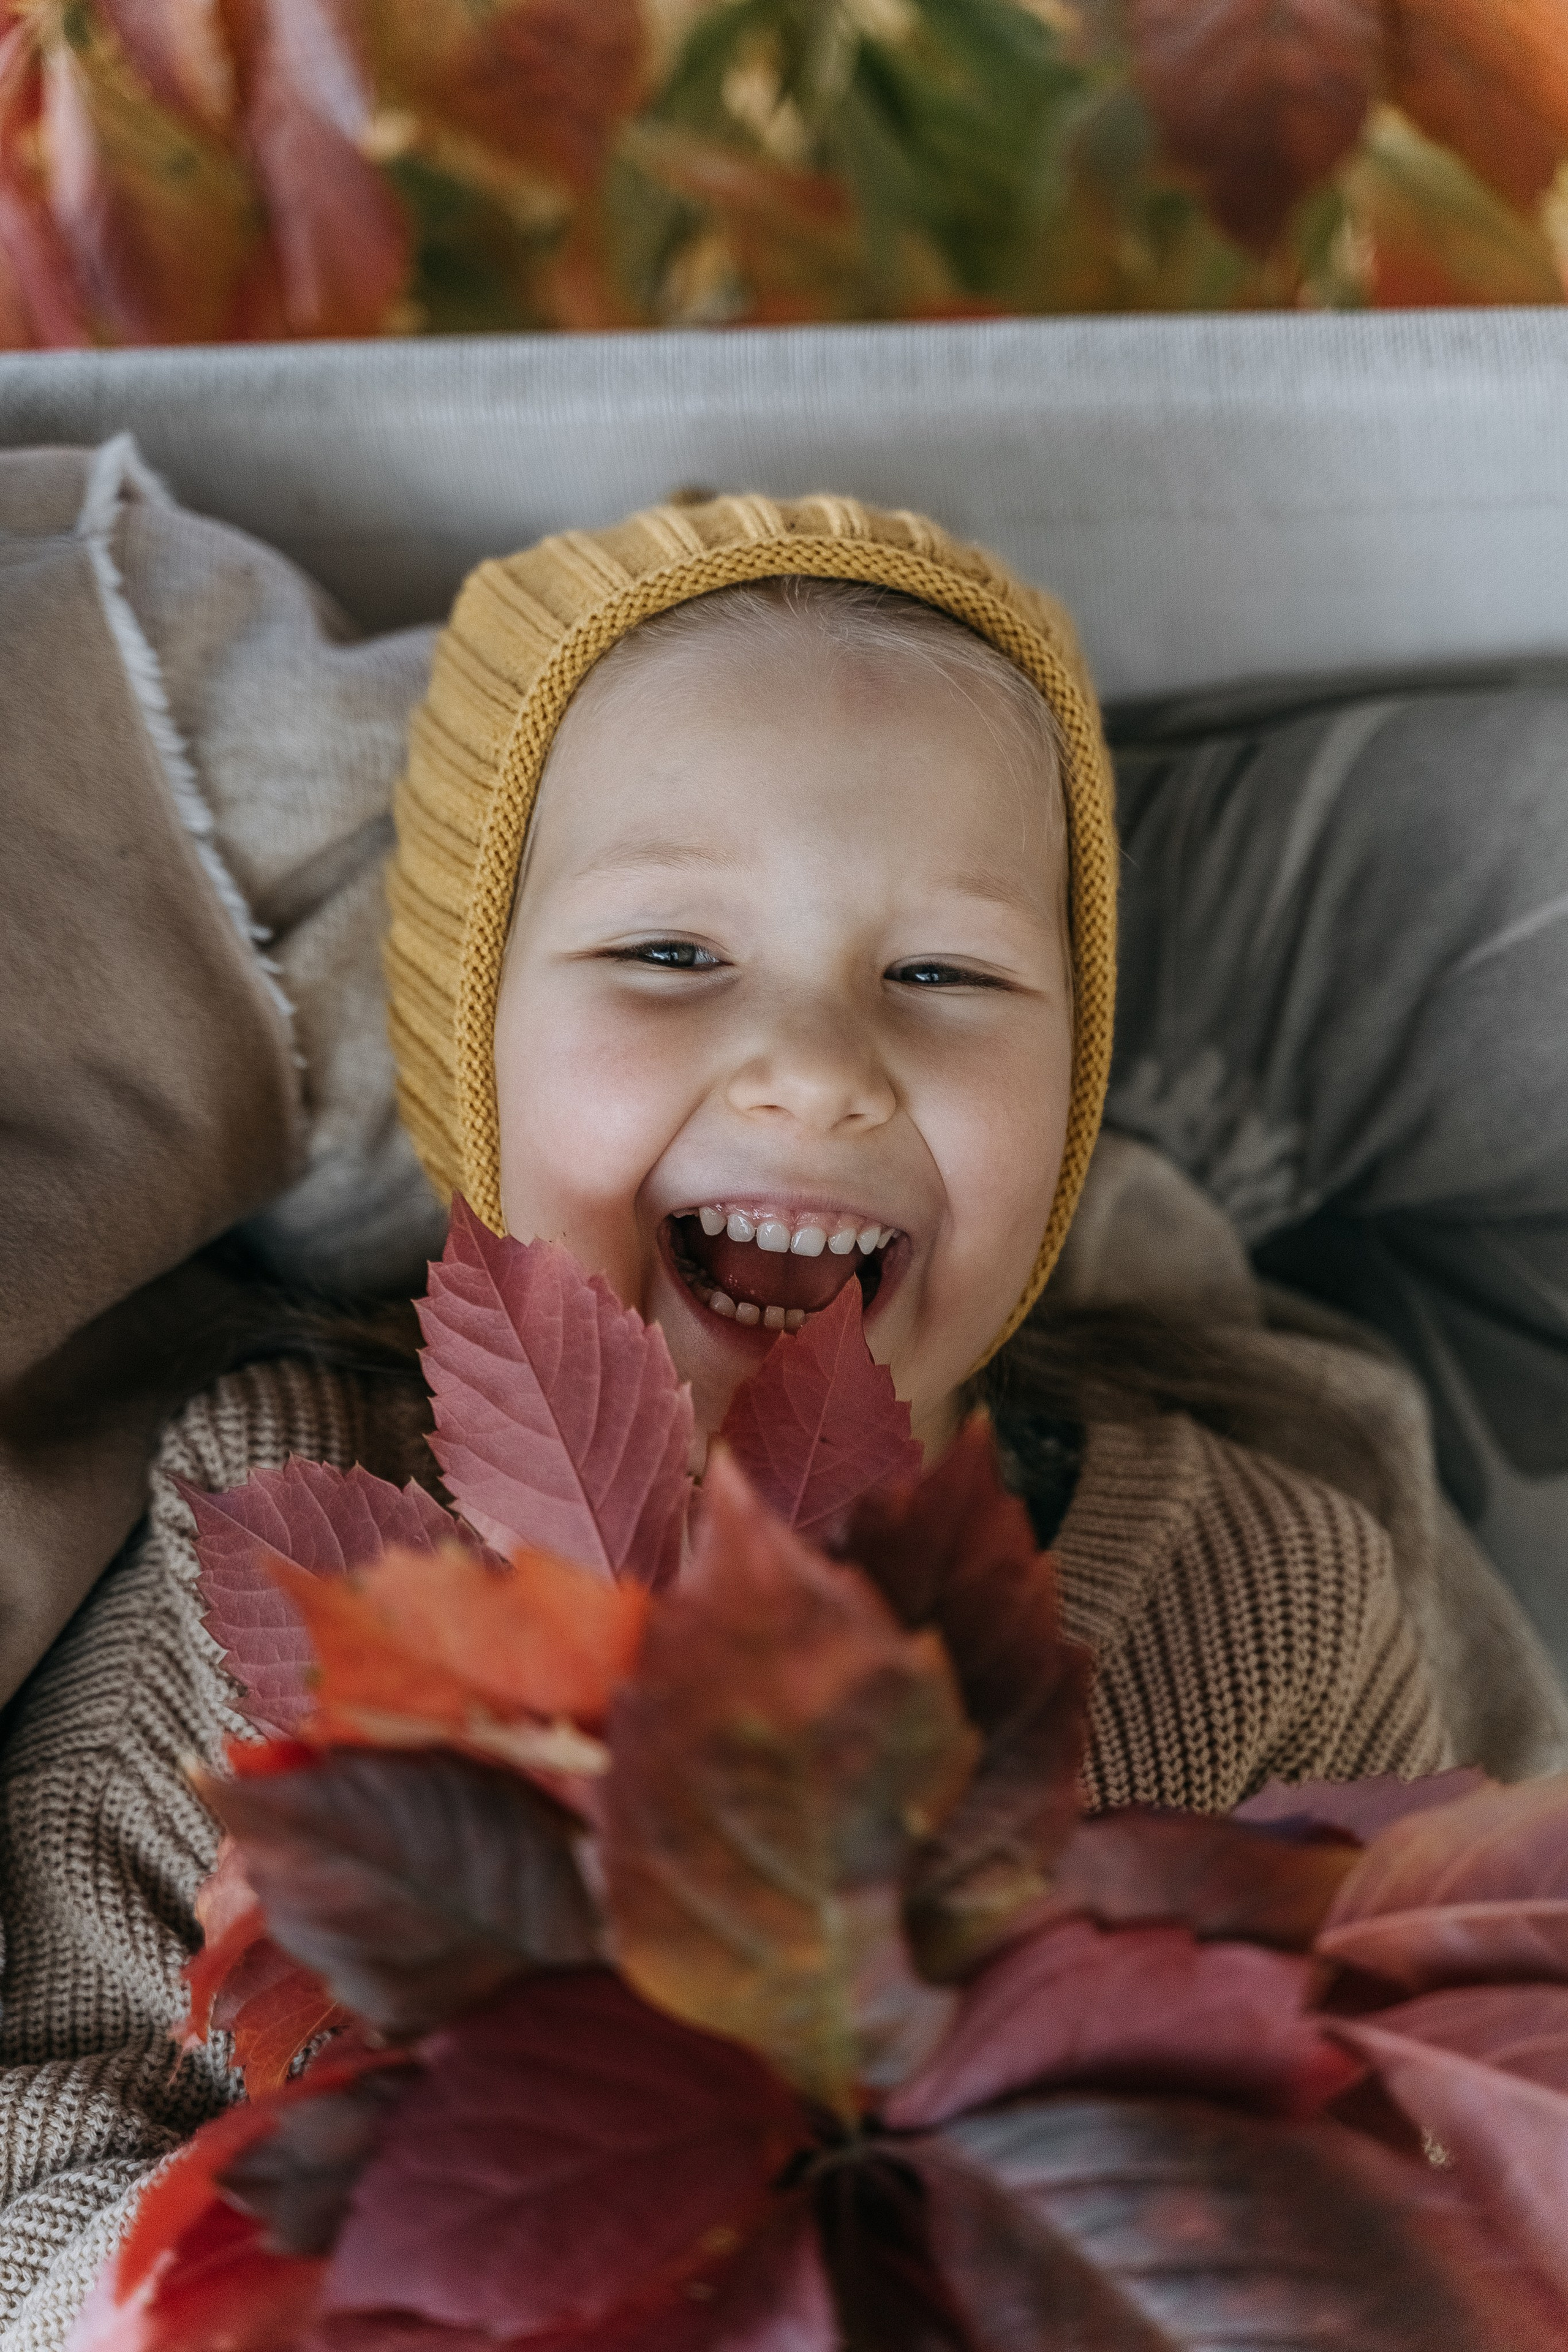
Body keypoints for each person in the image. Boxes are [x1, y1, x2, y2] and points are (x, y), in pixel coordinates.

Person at [0, 495, 1451, 2342]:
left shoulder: (1270, 1602)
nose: (823, 1069)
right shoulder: (273, 1543)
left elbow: (1422, 2163)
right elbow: (30, 2157)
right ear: (472, 1054)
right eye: (671, 955)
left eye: (944, 975)